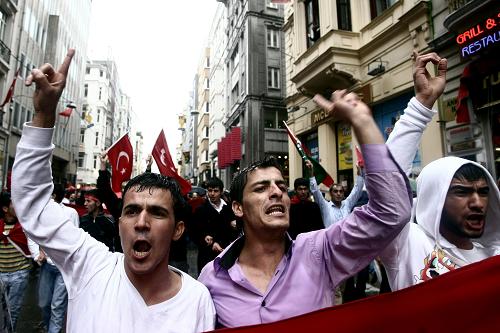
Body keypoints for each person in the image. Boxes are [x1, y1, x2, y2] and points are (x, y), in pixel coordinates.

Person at [11, 49, 215, 332]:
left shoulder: (197, 299)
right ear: (119, 223)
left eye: (156, 213)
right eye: (131, 211)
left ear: (178, 229)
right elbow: (33, 205)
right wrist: (45, 115)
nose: (141, 223)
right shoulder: (91, 266)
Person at [198, 88, 412, 327]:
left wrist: (362, 121)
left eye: (280, 185)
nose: (277, 191)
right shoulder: (211, 278)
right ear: (238, 208)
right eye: (261, 188)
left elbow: (392, 213)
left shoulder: (319, 252)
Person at [379, 51, 500, 291]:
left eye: (483, 192)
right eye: (462, 192)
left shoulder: (493, 256)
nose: (478, 203)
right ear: (437, 198)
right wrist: (421, 105)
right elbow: (385, 186)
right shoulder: (407, 245)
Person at [28, 183, 79, 333]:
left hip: (63, 267)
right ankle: (47, 326)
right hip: (46, 267)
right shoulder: (40, 213)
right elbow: (31, 234)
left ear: (54, 196)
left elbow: (74, 237)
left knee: (57, 306)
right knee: (44, 303)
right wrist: (37, 253)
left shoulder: (71, 213)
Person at [193, 177, 238, 274]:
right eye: (210, 190)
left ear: (221, 191)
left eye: (216, 191)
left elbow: (235, 232)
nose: (212, 194)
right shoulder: (201, 210)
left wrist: (234, 225)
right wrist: (205, 238)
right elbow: (194, 231)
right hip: (207, 255)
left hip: (226, 253)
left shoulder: (229, 209)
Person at [0, 192, 31, 330]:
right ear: (5, 209)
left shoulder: (25, 227)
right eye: (14, 203)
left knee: (13, 311)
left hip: (19, 274)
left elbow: (35, 244)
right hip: (0, 274)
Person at [306, 160, 364, 227]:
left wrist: (360, 174)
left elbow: (357, 190)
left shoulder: (347, 204)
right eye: (335, 191)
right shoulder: (325, 206)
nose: (338, 194)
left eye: (341, 191)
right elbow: (315, 191)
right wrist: (311, 174)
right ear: (331, 193)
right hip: (331, 237)